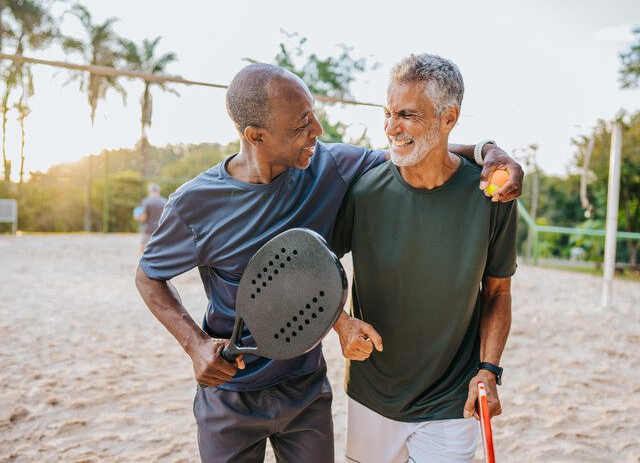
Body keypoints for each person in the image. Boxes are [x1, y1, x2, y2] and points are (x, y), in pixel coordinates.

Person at [134, 62, 522, 462]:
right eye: (302, 123)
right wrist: (194, 344)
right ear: (256, 136)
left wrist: (490, 152)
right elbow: (148, 277)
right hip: (230, 392)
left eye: (313, 114)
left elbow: (416, 150)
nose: (317, 130)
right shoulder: (196, 203)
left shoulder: (330, 165)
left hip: (305, 387)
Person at [332, 54, 517, 462]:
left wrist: (489, 369)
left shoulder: (491, 195)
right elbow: (319, 265)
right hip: (371, 394)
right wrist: (340, 324)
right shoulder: (363, 190)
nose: (391, 128)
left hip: (453, 399)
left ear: (448, 118)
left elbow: (498, 292)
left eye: (407, 115)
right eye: (388, 113)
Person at [134, 183, 168, 253]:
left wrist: (136, 217)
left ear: (149, 191)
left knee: (144, 248)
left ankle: (142, 263)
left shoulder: (147, 201)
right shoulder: (165, 201)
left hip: (148, 230)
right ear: (159, 191)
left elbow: (143, 218)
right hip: (160, 229)